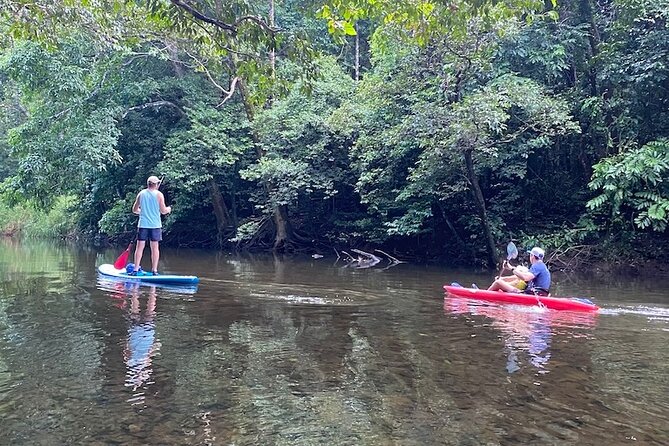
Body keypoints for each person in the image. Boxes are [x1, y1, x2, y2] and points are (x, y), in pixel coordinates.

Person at [130, 176, 171, 275]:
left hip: (143, 225)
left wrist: (142, 212)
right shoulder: (159, 195)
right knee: (155, 248)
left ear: (148, 184)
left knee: (139, 247)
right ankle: (154, 270)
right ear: (156, 184)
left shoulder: (141, 194)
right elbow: (163, 211)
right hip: (155, 225)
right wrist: (169, 209)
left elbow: (134, 210)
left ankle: (135, 269)